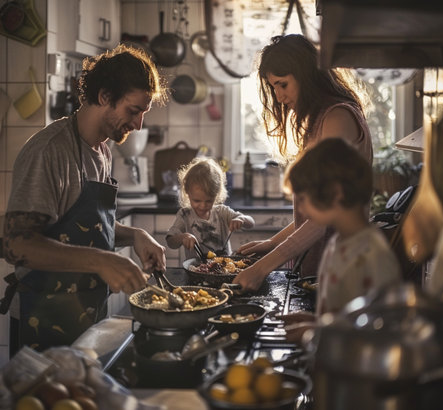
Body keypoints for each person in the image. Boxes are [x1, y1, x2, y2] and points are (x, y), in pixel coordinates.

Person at [1, 44, 167, 352]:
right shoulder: (50, 151)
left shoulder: (102, 150)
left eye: (143, 114)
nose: (139, 124)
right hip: (42, 319)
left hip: (86, 315)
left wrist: (135, 235)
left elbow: (88, 227)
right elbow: (16, 243)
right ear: (104, 96)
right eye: (133, 111)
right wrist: (101, 261)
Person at [234, 34, 373, 292]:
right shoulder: (320, 119)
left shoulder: (337, 118)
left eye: (282, 84)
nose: (278, 96)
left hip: (343, 273)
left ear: (306, 75)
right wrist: (273, 243)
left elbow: (325, 217)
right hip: (322, 273)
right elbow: (315, 212)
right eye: (273, 87)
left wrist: (262, 267)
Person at [279, 138, 402, 344]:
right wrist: (319, 322)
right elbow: (351, 318)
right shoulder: (340, 241)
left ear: (335, 193)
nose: (300, 209)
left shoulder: (372, 255)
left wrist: (316, 335)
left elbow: (379, 336)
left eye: (302, 199)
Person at [166, 157, 255, 259]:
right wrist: (182, 237)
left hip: (224, 270)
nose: (203, 206)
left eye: (209, 201)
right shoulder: (184, 215)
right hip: (195, 270)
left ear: (216, 195)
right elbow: (170, 241)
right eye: (197, 201)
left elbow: (251, 222)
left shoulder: (222, 212)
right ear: (187, 192)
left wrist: (241, 219)